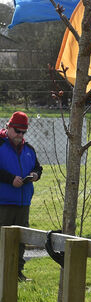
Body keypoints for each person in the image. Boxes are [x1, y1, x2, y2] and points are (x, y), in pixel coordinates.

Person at [0, 112, 43, 282]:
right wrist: (10, 179)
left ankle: (17, 274)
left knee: (20, 240)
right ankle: (3, 275)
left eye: (23, 132)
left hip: (23, 203)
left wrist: (35, 175)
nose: (20, 135)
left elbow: (38, 168)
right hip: (3, 203)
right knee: (2, 240)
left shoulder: (29, 149)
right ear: (8, 127)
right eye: (17, 131)